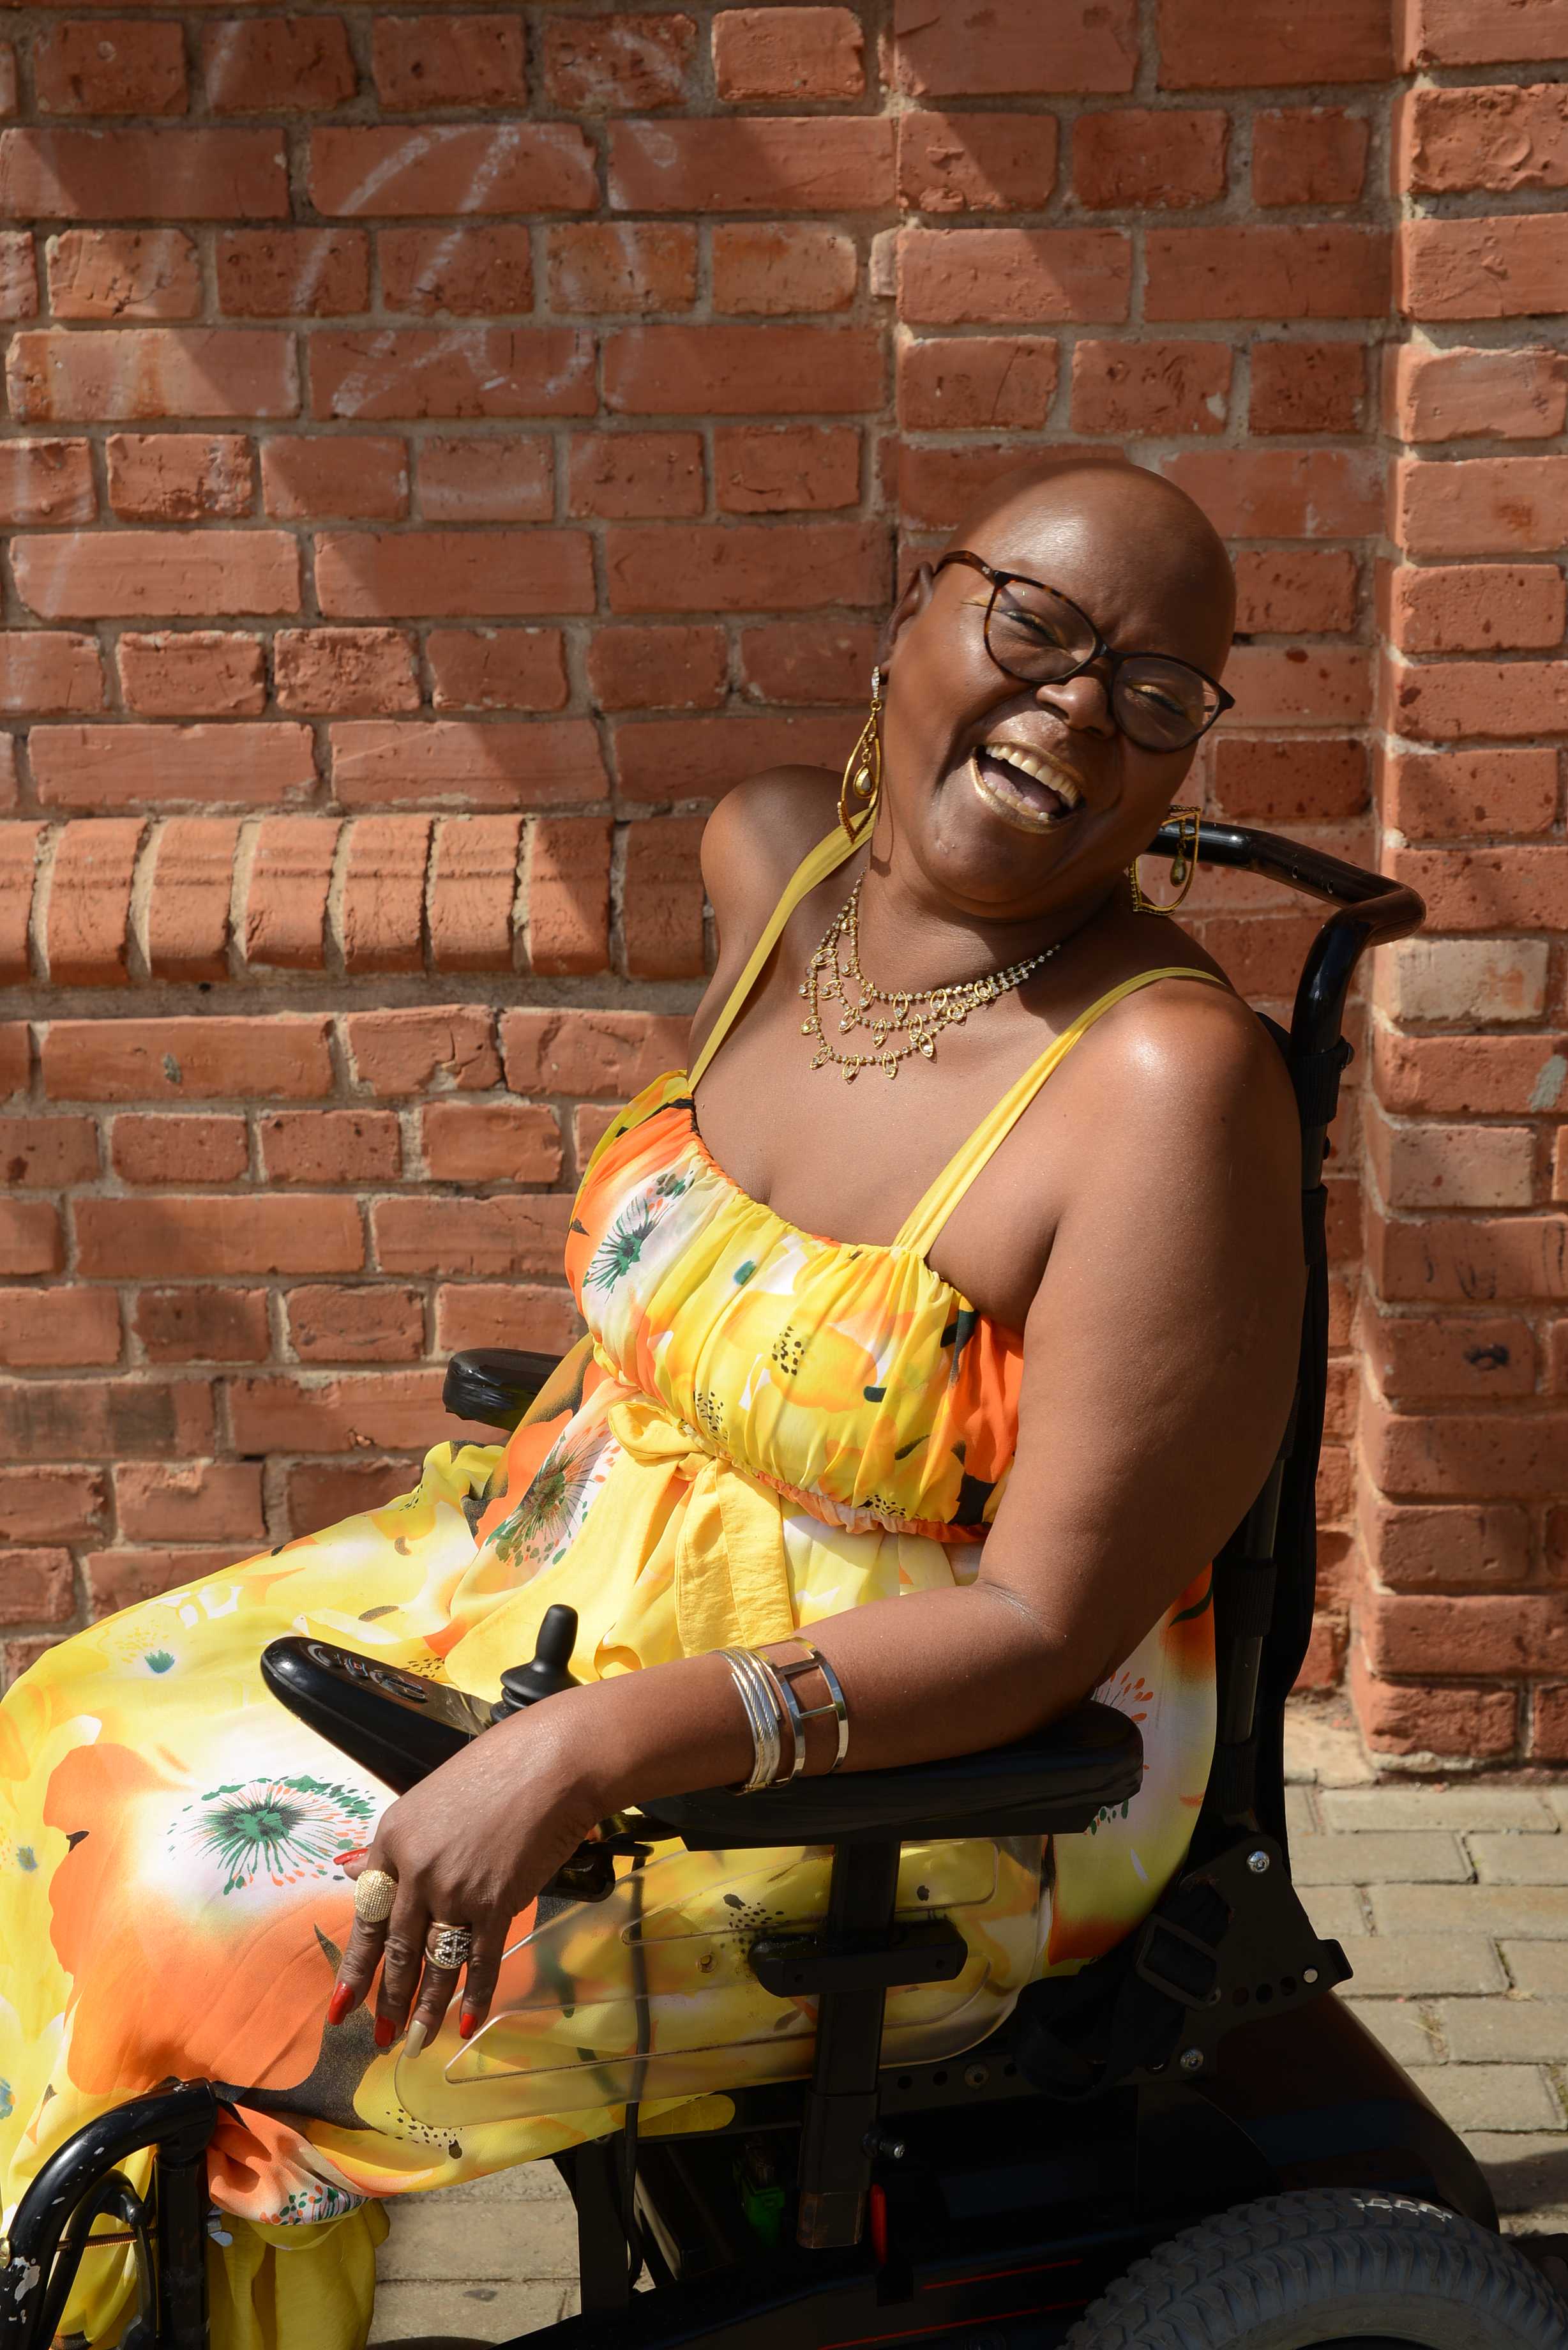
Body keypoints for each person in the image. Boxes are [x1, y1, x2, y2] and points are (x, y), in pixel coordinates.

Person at [0, 458, 1303, 2349]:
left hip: (920, 1785)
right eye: (1035, 625)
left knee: (206, 1951)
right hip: (557, 1588)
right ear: (912, 623)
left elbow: (1041, 1628)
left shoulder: (1164, 1088)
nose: (1085, 702)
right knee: (58, 1728)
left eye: (1158, 691)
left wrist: (585, 1750)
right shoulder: (783, 877)